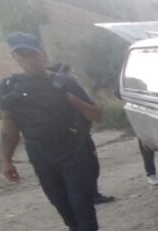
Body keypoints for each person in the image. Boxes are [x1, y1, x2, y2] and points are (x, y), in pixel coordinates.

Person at [0, 32, 103, 231]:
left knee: (80, 198)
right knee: (59, 200)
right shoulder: (9, 87)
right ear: (15, 57)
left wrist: (70, 99)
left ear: (43, 55)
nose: (29, 59)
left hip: (72, 146)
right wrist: (6, 159)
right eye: (22, 55)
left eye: (32, 54)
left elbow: (96, 114)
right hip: (39, 150)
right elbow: (9, 125)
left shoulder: (64, 82)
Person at [47, 62, 115, 204]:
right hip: (72, 136)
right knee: (82, 168)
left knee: (91, 166)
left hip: (81, 133)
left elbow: (92, 110)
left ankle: (91, 194)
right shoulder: (61, 88)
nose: (73, 76)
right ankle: (84, 197)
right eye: (70, 73)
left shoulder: (70, 87)